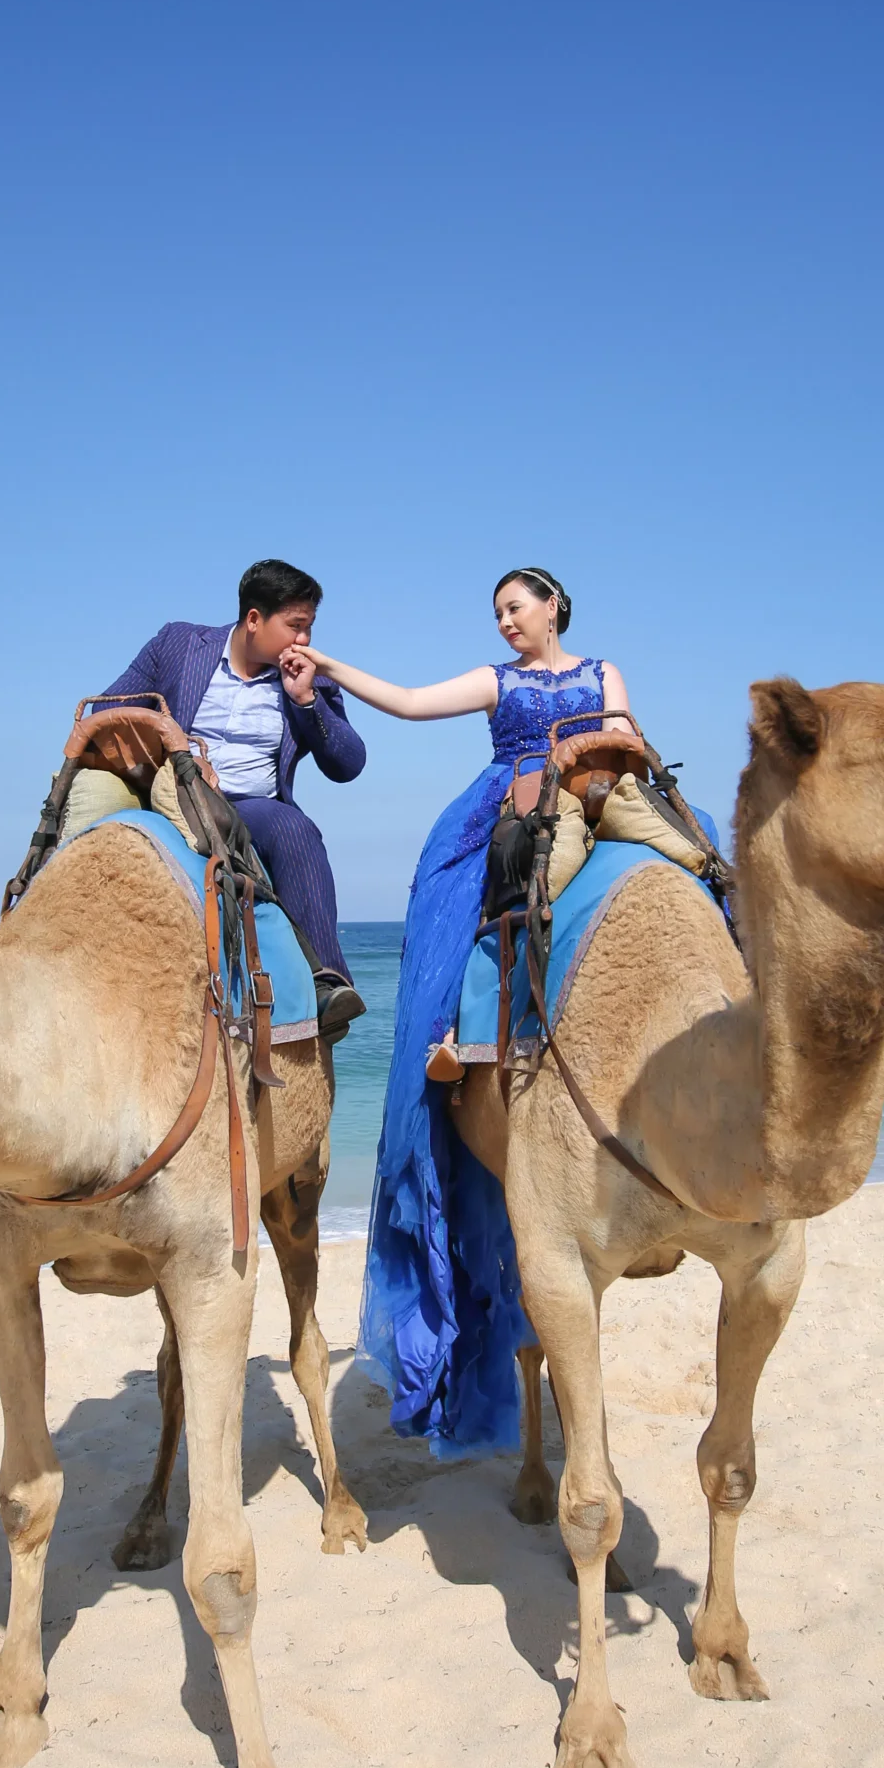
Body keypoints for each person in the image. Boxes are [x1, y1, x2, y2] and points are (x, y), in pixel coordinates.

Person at [288, 566, 632, 1456]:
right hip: (507, 804)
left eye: (517, 607)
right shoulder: (497, 680)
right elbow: (407, 704)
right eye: (497, 613)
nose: (507, 622)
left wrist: (622, 773)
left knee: (692, 856)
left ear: (553, 607)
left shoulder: (603, 672)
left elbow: (628, 735)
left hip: (597, 792)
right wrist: (329, 667)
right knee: (469, 912)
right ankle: (456, 1037)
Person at [98, 559, 368, 1041]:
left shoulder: (310, 676)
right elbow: (106, 712)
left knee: (295, 830)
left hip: (250, 806)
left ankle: (325, 983)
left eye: (309, 627)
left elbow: (348, 764)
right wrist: (175, 750)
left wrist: (305, 701)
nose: (304, 639)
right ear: (254, 619)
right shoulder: (179, 644)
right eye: (295, 626)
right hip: (174, 788)